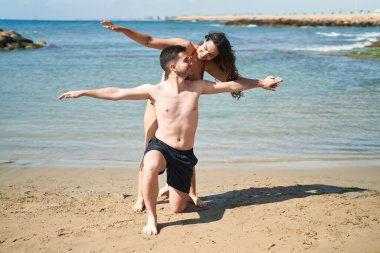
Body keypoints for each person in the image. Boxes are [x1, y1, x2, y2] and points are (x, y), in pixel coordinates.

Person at [59, 45, 283, 235]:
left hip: (184, 154)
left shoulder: (198, 88)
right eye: (187, 61)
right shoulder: (154, 90)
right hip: (162, 146)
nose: (192, 63)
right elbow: (117, 93)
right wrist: (84, 92)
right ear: (173, 67)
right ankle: (151, 218)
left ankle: (172, 189)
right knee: (150, 165)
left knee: (178, 208)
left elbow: (232, 85)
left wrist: (261, 83)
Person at [100, 20, 262, 211]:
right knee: (149, 149)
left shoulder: (207, 65)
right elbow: (149, 40)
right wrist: (123, 30)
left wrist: (261, 82)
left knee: (185, 148)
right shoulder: (184, 46)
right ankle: (140, 197)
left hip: (182, 111)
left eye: (211, 55)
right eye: (204, 48)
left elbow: (232, 82)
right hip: (158, 105)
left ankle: (192, 193)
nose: (204, 54)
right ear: (204, 40)